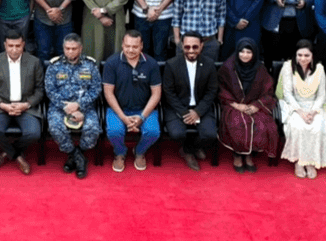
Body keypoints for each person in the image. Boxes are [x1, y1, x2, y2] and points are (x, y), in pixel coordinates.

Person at [0, 30, 46, 173]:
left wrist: (26, 104)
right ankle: (18, 156)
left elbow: (40, 90)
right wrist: (2, 105)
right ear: (5, 45)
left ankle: (6, 152)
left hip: (25, 106)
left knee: (34, 133)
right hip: (2, 106)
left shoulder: (34, 62)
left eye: (18, 46)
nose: (14, 49)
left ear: (23, 44)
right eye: (10, 46)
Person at [102, 31, 161, 172]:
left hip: (144, 109)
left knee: (153, 132)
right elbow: (108, 93)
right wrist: (123, 117)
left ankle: (139, 151)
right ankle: (120, 152)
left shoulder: (151, 64)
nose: (130, 50)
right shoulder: (111, 63)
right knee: (114, 131)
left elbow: (156, 94)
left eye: (135, 47)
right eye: (127, 46)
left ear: (141, 46)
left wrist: (142, 117)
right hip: (118, 109)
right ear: (122, 45)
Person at [217, 38, 279, 171]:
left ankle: (250, 154)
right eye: (242, 51)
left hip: (254, 105)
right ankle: (237, 155)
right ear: (237, 52)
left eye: (249, 52)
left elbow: (268, 91)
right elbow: (221, 89)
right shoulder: (228, 68)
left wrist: (257, 105)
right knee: (237, 123)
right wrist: (236, 105)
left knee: (262, 125)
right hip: (233, 104)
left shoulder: (260, 69)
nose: (245, 55)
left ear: (254, 53)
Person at [278, 40, 326, 178]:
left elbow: (322, 95)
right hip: (294, 106)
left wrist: (313, 112)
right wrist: (300, 112)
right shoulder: (288, 67)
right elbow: (287, 94)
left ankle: (310, 161)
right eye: (299, 55)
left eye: (306, 55)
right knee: (299, 127)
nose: (303, 59)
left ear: (312, 56)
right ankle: (299, 162)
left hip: (314, 106)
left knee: (318, 127)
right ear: (295, 55)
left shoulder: (319, 69)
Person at [161, 31, 219, 171]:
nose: (191, 50)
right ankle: (188, 151)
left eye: (195, 47)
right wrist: (184, 113)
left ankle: (190, 148)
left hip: (201, 107)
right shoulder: (172, 64)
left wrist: (198, 112)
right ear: (182, 46)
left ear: (201, 46)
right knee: (177, 134)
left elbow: (212, 91)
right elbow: (168, 93)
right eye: (187, 47)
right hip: (178, 107)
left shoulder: (209, 64)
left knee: (210, 135)